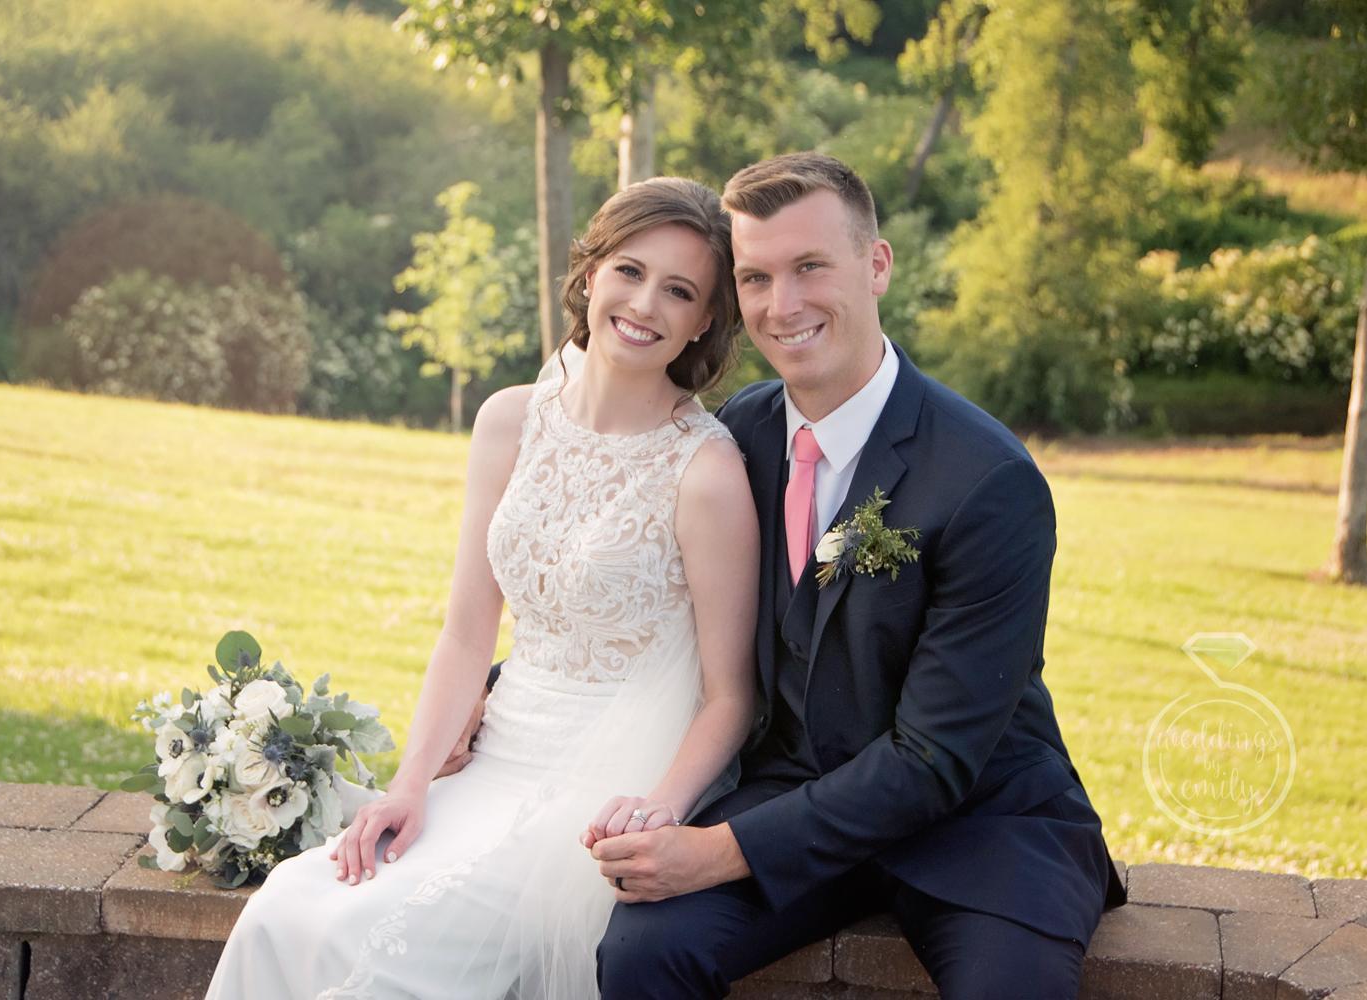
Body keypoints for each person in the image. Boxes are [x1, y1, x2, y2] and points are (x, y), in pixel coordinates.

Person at [203, 177, 759, 1000]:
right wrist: (411, 783)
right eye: (630, 271)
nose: (645, 304)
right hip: (493, 759)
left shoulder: (705, 471)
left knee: (389, 953)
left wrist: (657, 810)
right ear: (591, 274)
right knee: (287, 909)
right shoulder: (508, 421)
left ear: (704, 320)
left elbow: (730, 696)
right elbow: (467, 635)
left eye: (679, 291)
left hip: (603, 788)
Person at [587, 153, 1127, 999]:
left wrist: (717, 852)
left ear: (876, 265)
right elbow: (665, 609)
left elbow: (935, 757)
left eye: (810, 267)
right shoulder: (738, 436)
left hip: (979, 824)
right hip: (790, 796)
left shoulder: (989, 479)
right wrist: (498, 691)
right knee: (642, 953)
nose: (782, 305)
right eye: (756, 278)